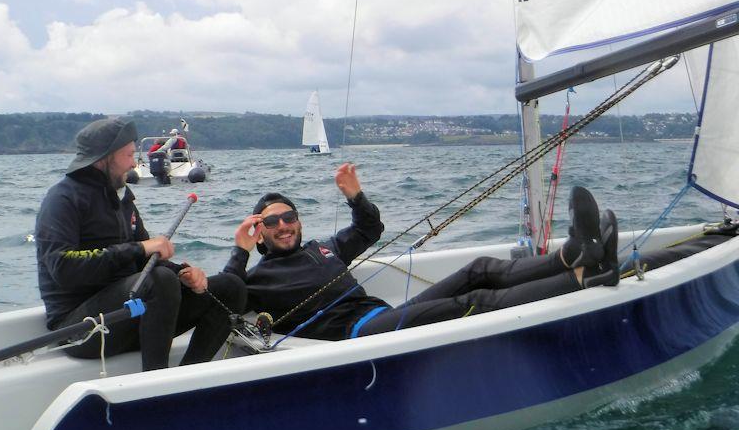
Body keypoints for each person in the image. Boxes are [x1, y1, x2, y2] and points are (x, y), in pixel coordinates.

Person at [224, 163, 619, 341]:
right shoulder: (258, 279)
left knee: (479, 268)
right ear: (259, 235)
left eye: (288, 216)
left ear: (298, 220)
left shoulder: (324, 250)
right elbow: (226, 296)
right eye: (270, 223)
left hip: (381, 316)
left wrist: (355, 195)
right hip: (357, 334)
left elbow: (369, 228)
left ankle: (574, 255)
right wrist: (240, 253)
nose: (283, 225)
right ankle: (584, 278)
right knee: (475, 300)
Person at [35, 118, 246, 370]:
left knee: (230, 287)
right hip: (80, 329)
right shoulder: (62, 199)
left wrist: (183, 273)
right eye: (128, 154)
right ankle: (155, 383)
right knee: (158, 281)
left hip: (129, 315)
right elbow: (63, 268)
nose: (133, 162)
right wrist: (141, 248)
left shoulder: (123, 199)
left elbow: (146, 260)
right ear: (104, 158)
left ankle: (190, 375)